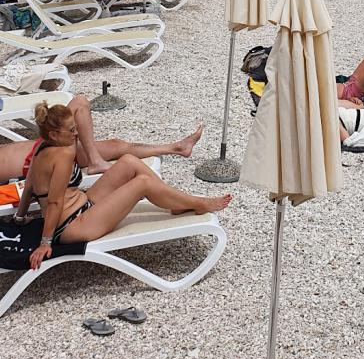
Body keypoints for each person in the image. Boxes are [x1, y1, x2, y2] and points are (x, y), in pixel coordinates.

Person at [21, 103, 231, 270]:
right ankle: (197, 203)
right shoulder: (64, 154)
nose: (76, 134)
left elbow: (29, 184)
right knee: (142, 183)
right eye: (72, 130)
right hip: (72, 226)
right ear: (55, 134)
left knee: (129, 161)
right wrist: (46, 242)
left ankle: (175, 201)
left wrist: (19, 216)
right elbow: (56, 201)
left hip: (83, 206)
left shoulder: (41, 146)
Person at [0, 97, 205, 188]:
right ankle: (94, 161)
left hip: (44, 149)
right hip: (44, 162)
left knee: (116, 143)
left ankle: (176, 148)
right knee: (79, 102)